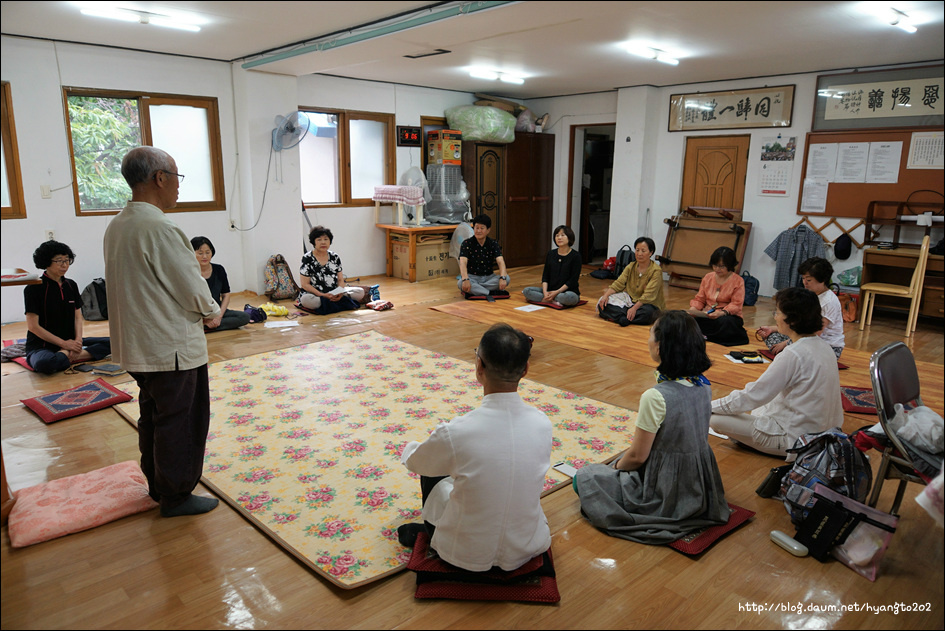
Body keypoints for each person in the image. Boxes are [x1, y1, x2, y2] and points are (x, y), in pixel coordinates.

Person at [104, 146, 221, 518]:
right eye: (177, 178)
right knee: (181, 421)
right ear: (159, 179)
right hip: (168, 346)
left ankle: (158, 483)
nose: (178, 188)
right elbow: (190, 285)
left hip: (139, 344)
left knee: (155, 415)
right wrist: (212, 311)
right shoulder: (160, 227)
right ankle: (175, 495)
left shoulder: (119, 222)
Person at [397, 323, 552, 572]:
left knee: (434, 467)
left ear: (479, 366)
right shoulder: (543, 423)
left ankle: (430, 532)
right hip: (528, 545)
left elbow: (416, 463)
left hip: (464, 554)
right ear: (525, 369)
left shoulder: (456, 432)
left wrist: (410, 447)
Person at [573, 311, 729, 544]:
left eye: (650, 334)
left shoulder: (656, 396)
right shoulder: (703, 384)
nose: (648, 339)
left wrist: (615, 466)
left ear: (660, 347)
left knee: (584, 477)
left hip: (664, 483)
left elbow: (637, 457)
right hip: (699, 477)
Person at [710, 287, 843, 457]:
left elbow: (752, 395)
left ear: (792, 320)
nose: (775, 317)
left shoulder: (793, 354)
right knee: (758, 405)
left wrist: (708, 406)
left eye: (778, 313)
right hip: (827, 433)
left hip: (797, 441)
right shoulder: (825, 347)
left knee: (715, 419)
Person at [23, 241, 111, 373]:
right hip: (42, 345)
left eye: (67, 260)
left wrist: (78, 341)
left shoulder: (71, 285)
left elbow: (77, 317)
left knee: (116, 343)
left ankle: (66, 355)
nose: (64, 265)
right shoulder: (33, 288)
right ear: (46, 261)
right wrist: (64, 345)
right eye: (59, 261)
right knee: (45, 364)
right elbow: (33, 327)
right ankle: (67, 354)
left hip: (70, 340)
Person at [756, 257, 845, 357]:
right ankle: (790, 351)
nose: (804, 283)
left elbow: (815, 333)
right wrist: (771, 329)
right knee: (770, 335)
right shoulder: (810, 295)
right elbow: (799, 324)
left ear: (823, 280)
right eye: (803, 278)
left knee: (785, 346)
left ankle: (790, 353)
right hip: (806, 339)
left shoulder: (829, 301)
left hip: (827, 347)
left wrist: (786, 344)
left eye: (809, 280)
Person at [687, 246, 749, 346]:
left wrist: (721, 313)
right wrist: (693, 310)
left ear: (730, 265)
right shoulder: (708, 277)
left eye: (722, 266)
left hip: (727, 315)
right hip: (708, 314)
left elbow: (736, 304)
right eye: (715, 265)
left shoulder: (738, 281)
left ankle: (706, 336)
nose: (717, 269)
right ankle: (706, 335)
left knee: (726, 323)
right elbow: (700, 298)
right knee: (687, 319)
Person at [597, 236, 665, 325]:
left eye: (643, 251)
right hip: (630, 300)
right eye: (637, 250)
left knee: (648, 313)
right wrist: (606, 295)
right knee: (602, 303)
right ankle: (626, 317)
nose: (639, 254)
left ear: (650, 253)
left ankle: (620, 316)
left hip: (648, 304)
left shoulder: (656, 270)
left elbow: (649, 295)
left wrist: (634, 308)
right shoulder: (631, 266)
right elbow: (618, 284)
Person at [297, 225, 364, 314]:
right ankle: (334, 302)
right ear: (314, 242)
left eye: (326, 239)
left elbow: (340, 279)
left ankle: (332, 302)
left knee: (360, 292)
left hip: (333, 292)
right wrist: (322, 295)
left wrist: (339, 292)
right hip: (316, 294)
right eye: (319, 240)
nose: (323, 242)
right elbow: (305, 284)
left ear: (330, 241)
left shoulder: (334, 257)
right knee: (306, 300)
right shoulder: (307, 258)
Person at [191, 236, 251, 332]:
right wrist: (203, 320)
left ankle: (206, 327)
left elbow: (226, 294)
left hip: (216, 310)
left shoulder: (219, 269)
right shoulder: (189, 272)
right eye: (200, 253)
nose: (205, 256)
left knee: (244, 317)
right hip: (197, 313)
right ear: (191, 253)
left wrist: (219, 317)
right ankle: (204, 325)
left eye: (207, 252)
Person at [522, 225, 582, 307]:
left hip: (567, 292)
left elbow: (572, 280)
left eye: (562, 235)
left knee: (567, 297)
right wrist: (545, 292)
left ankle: (547, 299)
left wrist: (556, 292)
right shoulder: (551, 254)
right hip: (550, 290)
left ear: (569, 237)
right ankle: (551, 300)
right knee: (526, 291)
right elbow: (545, 276)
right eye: (557, 235)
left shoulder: (576, 256)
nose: (559, 238)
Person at [457, 214, 511, 298]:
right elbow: (462, 262)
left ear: (488, 230)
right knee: (460, 283)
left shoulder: (493, 244)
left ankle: (477, 290)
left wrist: (503, 278)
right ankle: (490, 293)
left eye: (482, 228)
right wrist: (465, 279)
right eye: (476, 228)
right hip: (472, 277)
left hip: (489, 278)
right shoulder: (466, 243)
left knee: (507, 278)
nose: (478, 231)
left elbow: (500, 262)